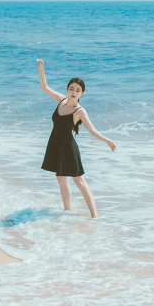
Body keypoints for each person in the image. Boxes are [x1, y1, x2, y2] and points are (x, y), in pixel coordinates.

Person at [36, 59, 117, 218]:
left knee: (79, 181)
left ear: (82, 93)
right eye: (71, 88)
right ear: (67, 89)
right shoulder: (60, 100)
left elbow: (92, 130)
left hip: (68, 148)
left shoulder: (80, 111)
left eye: (78, 90)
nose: (74, 92)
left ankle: (94, 215)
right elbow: (44, 87)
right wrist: (41, 68)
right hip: (55, 145)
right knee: (60, 179)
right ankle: (68, 212)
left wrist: (107, 141)